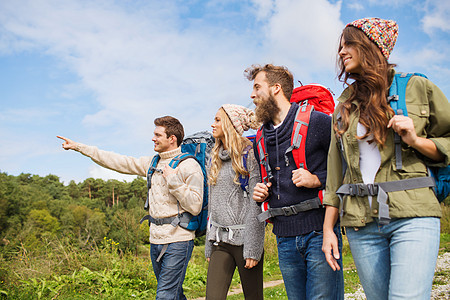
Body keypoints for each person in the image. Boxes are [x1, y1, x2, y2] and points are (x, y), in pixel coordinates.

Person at [322, 18, 450, 300]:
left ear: (372, 46)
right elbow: (335, 174)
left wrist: (416, 140)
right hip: (360, 224)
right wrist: (328, 229)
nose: (341, 52)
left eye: (349, 43)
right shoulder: (343, 107)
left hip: (412, 215)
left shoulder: (417, 87)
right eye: (340, 46)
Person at [57, 116, 203, 300]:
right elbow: (118, 161)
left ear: (172, 138)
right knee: (174, 294)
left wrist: (173, 180)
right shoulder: (153, 162)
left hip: (179, 241)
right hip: (156, 240)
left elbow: (195, 206)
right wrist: (81, 148)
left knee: (165, 295)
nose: (153, 138)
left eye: (158, 135)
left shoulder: (189, 165)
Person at [245, 64, 344, 299]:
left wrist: (316, 179)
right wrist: (261, 192)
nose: (252, 95)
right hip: (284, 237)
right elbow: (273, 181)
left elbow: (345, 171)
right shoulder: (260, 137)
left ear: (276, 88)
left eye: (257, 87)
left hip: (319, 230)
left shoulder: (318, 122)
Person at [204, 104, 265, 299]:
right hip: (220, 242)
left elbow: (256, 205)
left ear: (231, 124)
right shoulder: (214, 158)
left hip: (245, 241)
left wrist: (253, 247)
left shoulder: (250, 154)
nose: (212, 124)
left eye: (218, 120)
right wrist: (208, 242)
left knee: (253, 297)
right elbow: (212, 205)